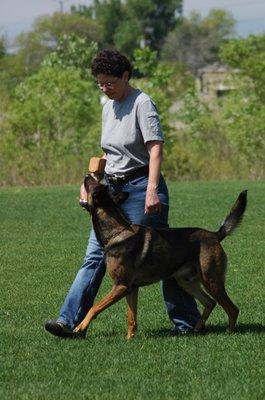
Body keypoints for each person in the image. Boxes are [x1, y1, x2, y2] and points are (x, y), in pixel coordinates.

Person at [45, 49, 200, 338]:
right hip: (111, 192)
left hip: (142, 189)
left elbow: (155, 148)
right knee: (94, 256)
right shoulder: (108, 106)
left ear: (125, 76)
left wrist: (153, 189)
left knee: (166, 257)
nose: (104, 88)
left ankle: (187, 323)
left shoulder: (142, 103)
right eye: (100, 83)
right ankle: (69, 322)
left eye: (109, 83)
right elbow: (107, 152)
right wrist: (91, 179)